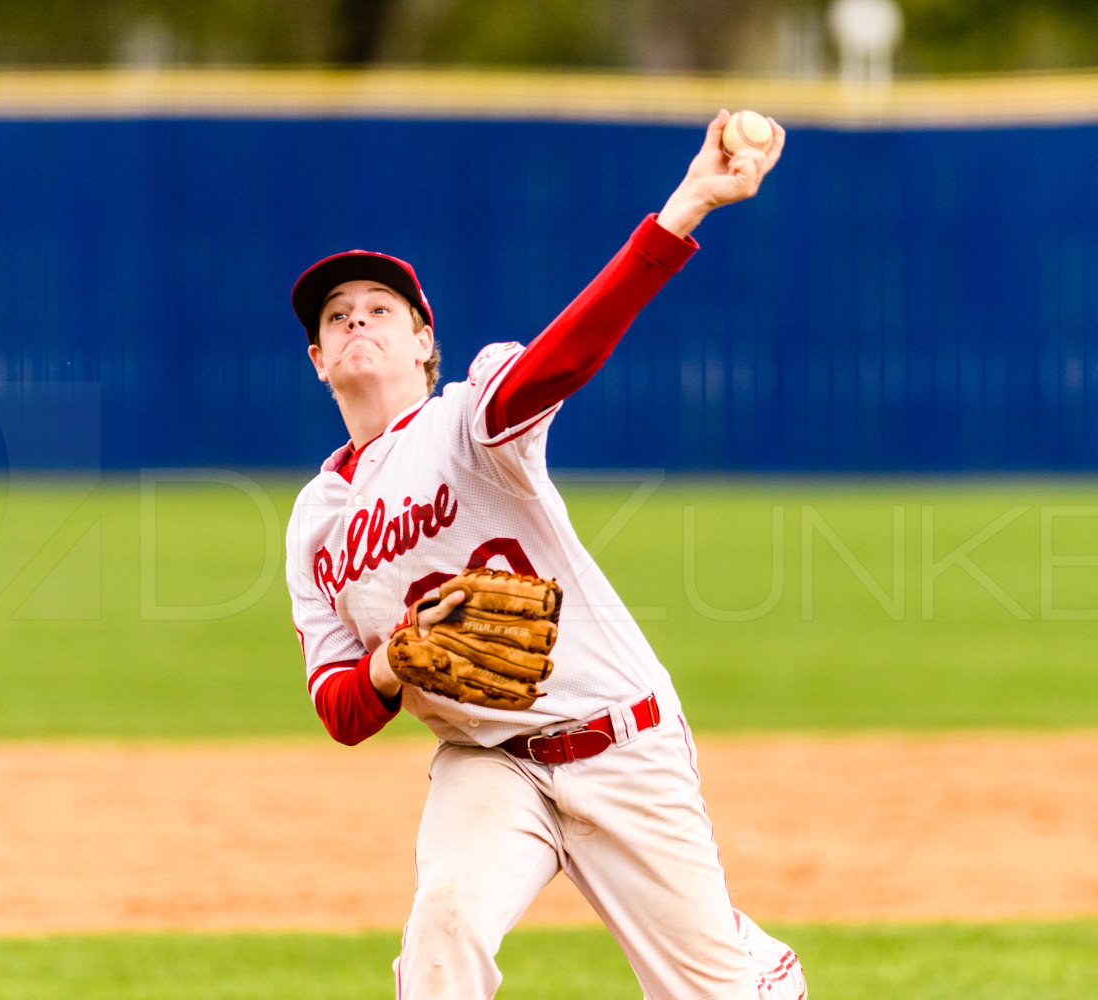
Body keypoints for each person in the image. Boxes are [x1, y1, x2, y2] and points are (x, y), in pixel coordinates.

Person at [284, 110, 803, 999]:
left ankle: (753, 968)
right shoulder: (315, 521)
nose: (356, 322)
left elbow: (570, 352)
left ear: (424, 344)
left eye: (381, 310)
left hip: (619, 741)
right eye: (336, 318)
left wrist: (686, 208)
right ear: (318, 361)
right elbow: (340, 708)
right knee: (442, 929)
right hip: (488, 763)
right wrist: (387, 666)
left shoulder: (466, 420)